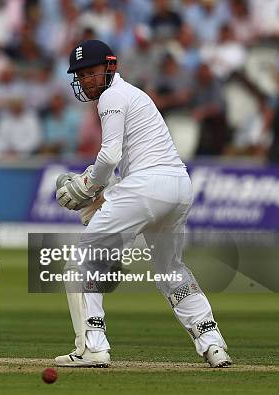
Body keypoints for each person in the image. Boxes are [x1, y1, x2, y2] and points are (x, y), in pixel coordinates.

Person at [54, 40, 231, 368]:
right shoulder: (133, 94)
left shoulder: (111, 96)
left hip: (147, 188)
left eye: (90, 72)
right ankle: (213, 344)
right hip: (177, 185)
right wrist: (104, 196)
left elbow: (109, 157)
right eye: (80, 75)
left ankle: (93, 346)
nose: (85, 80)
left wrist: (86, 187)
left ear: (109, 67)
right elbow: (136, 168)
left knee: (84, 261)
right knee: (171, 270)